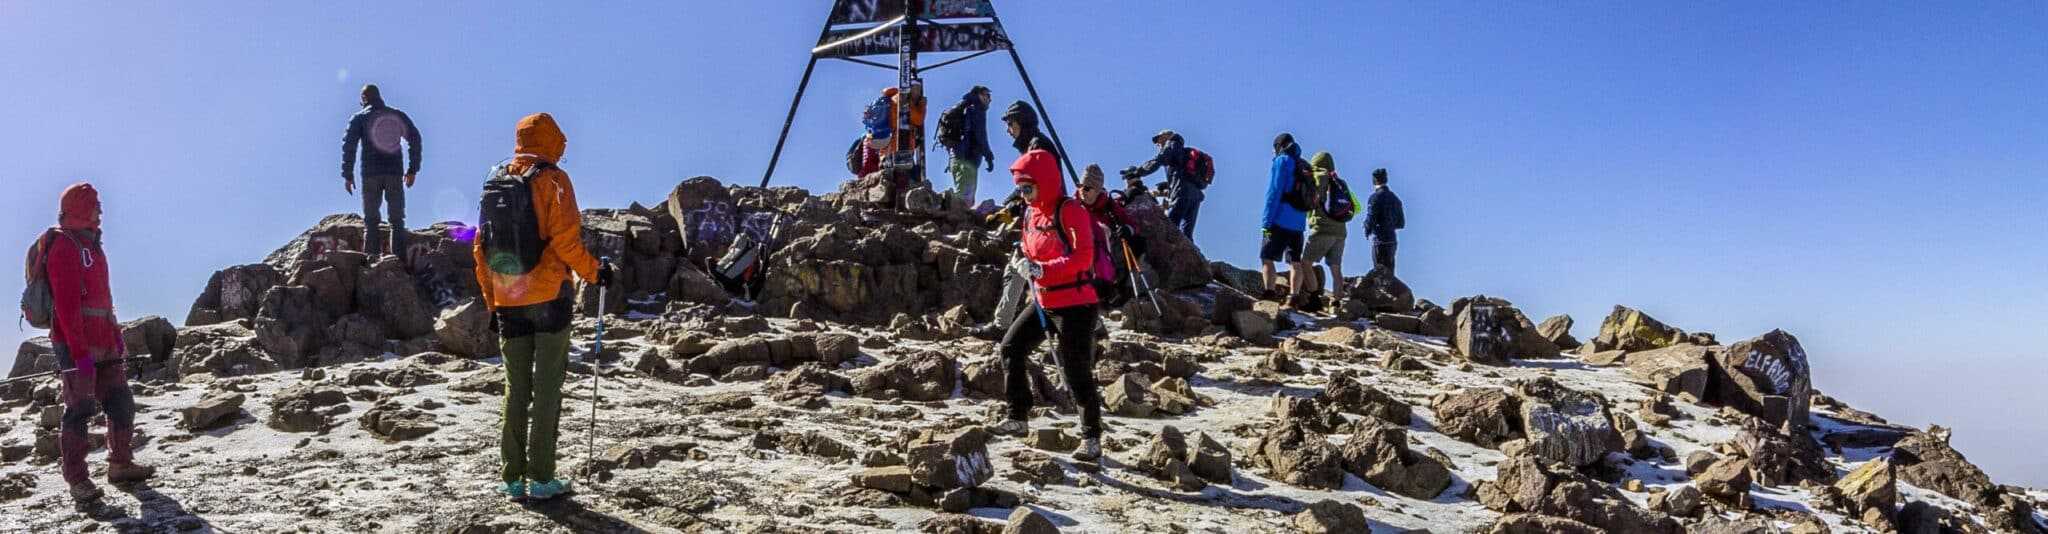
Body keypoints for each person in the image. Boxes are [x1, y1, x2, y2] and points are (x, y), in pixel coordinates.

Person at [471, 113, 613, 501]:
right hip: (549, 297)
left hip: (507, 301)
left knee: (515, 390)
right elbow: (566, 242)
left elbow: (480, 249)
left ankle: (512, 479)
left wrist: (492, 302)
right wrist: (596, 273)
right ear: (552, 140)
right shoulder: (553, 180)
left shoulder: (495, 181)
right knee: (548, 388)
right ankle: (543, 477)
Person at [41, 182, 155, 505]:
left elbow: (104, 301)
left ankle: (120, 463)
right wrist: (80, 355)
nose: (100, 211)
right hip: (77, 347)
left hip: (104, 342)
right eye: (94, 205)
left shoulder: (94, 245)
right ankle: (77, 479)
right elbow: (66, 307)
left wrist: (116, 339)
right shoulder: (64, 247)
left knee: (121, 401)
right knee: (79, 409)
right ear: (79, 207)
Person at [992, 146, 1106, 462]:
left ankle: (1091, 438)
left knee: (1075, 369)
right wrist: (1023, 262)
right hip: (1045, 299)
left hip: (1077, 304)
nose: (1024, 194)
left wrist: (1043, 269)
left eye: (1028, 187)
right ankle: (1017, 417)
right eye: (1020, 188)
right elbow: (1031, 249)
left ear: (1045, 180)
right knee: (1011, 348)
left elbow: (1084, 256)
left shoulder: (1070, 210)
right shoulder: (1030, 213)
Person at [340, 84, 423, 260]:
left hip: (370, 174)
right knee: (397, 220)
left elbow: (349, 146)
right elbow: (415, 138)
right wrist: (412, 169)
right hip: (394, 172)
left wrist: (347, 174)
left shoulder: (359, 118)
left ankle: (371, 259)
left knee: (370, 220)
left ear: (363, 99)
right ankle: (398, 260)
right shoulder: (396, 115)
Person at [1120, 130, 1204, 238]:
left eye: (1159, 139)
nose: (1157, 143)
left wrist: (1138, 172)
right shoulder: (1183, 151)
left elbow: (1157, 161)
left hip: (1182, 193)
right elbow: (1182, 174)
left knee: (1170, 227)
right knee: (1186, 233)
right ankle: (1191, 254)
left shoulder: (1172, 144)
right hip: (1196, 195)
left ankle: (1170, 253)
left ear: (1168, 136)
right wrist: (1168, 185)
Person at [1261, 133, 1311, 303]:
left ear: (1279, 146)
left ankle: (1269, 293)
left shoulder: (1282, 161)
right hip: (1299, 223)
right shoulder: (1303, 164)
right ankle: (1294, 296)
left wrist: (1266, 222)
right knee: (1295, 261)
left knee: (1267, 258)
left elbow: (1274, 192)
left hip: (1280, 219)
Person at [1300, 151, 1355, 302]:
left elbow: (1313, 202)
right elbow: (1355, 207)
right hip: (1341, 231)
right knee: (1336, 268)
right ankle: (1337, 302)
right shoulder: (1340, 182)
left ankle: (1314, 296)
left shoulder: (1317, 178)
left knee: (1305, 263)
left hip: (1322, 229)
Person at [942, 86, 997, 203]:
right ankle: (954, 218)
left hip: (956, 159)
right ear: (979, 95)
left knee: (962, 195)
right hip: (968, 161)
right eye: (987, 96)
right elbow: (981, 136)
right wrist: (988, 156)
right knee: (965, 200)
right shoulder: (976, 110)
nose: (990, 99)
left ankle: (952, 214)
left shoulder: (965, 109)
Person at [1362, 167, 1405, 274]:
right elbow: (1401, 223)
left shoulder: (1375, 197)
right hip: (1392, 239)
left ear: (1374, 180)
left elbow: (1371, 218)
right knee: (1390, 273)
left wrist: (1367, 229)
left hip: (1380, 240)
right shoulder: (1395, 198)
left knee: (1379, 273)